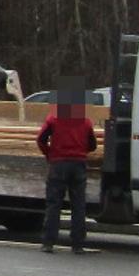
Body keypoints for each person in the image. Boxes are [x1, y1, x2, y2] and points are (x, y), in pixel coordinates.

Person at [37, 79, 98, 253]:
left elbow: (41, 139)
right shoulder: (85, 121)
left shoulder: (53, 119)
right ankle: (77, 244)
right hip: (78, 165)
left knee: (54, 204)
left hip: (58, 164)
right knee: (78, 206)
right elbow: (92, 145)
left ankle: (48, 242)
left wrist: (49, 154)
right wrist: (80, 151)